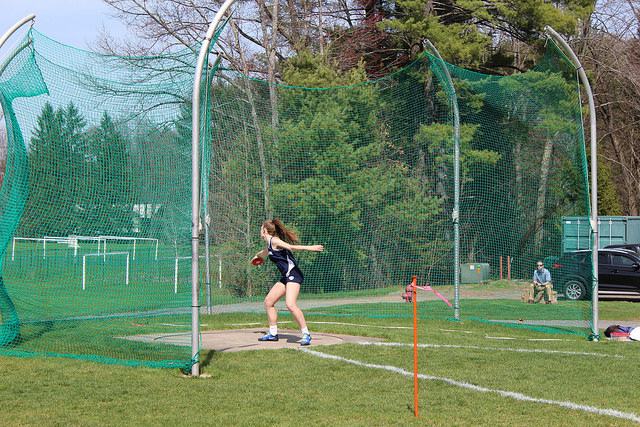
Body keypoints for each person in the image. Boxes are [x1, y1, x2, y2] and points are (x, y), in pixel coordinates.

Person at [251, 219, 324, 346]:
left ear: (264, 230)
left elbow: (290, 247)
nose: (260, 231)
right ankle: (273, 334)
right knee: (268, 302)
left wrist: (309, 248)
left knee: (290, 304)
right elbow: (262, 254)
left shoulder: (275, 241)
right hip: (286, 276)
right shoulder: (268, 245)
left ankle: (306, 333)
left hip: (293, 274)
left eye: (261, 228)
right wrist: (256, 257)